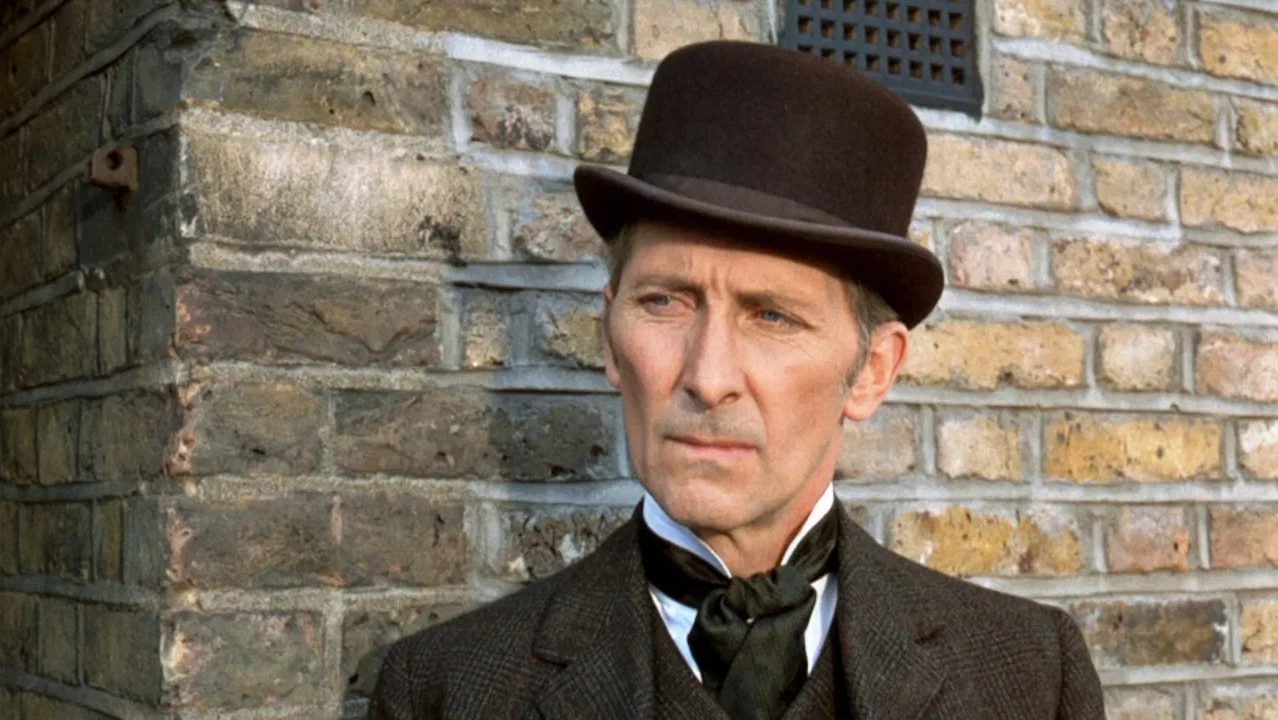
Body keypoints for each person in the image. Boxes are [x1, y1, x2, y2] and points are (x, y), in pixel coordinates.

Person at [370, 40, 1105, 720]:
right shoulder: (443, 693)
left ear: (872, 371)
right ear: (610, 336)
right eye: (665, 301)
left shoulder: (1032, 678)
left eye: (772, 316)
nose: (708, 377)